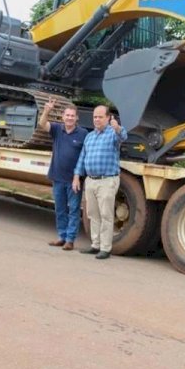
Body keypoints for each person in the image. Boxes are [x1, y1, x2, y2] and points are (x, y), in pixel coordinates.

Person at [72, 105, 127, 260]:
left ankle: (105, 248)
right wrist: (77, 175)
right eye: (95, 117)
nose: (96, 119)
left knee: (106, 215)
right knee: (92, 214)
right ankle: (95, 245)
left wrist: (117, 128)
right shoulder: (89, 136)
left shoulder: (112, 134)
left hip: (107, 180)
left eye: (100, 117)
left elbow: (123, 136)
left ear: (108, 118)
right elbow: (82, 157)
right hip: (91, 181)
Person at [38, 97, 88, 251]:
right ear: (63, 117)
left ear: (77, 118)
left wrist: (78, 175)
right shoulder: (57, 129)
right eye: (67, 115)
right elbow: (42, 124)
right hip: (57, 177)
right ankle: (62, 236)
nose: (70, 118)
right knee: (60, 209)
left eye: (72, 116)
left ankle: (70, 240)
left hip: (74, 180)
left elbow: (84, 155)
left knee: (73, 209)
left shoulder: (83, 134)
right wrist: (47, 110)